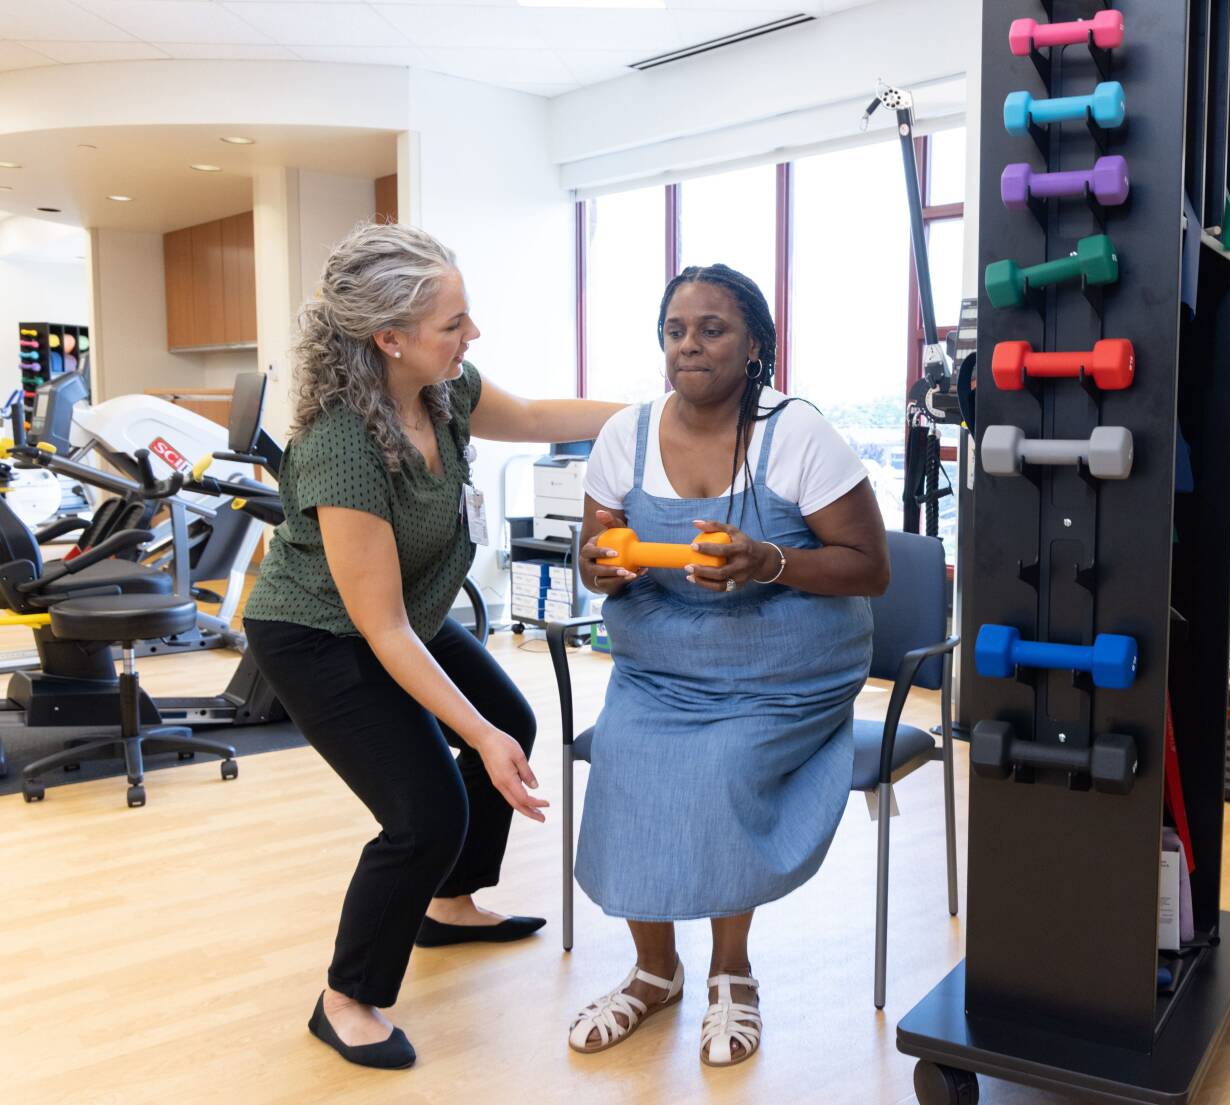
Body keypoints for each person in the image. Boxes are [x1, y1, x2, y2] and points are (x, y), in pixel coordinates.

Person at [242, 222, 622, 1070]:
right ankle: (347, 996)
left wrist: (656, 414)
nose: (471, 335)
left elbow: (532, 415)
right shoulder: (342, 443)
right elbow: (378, 630)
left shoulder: (443, 390)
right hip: (317, 633)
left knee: (509, 719)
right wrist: (473, 738)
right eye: (454, 323)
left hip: (404, 611)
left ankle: (447, 905)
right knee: (424, 812)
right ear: (390, 338)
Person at [567, 264, 889, 1067]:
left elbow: (869, 566)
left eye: (711, 329)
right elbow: (589, 551)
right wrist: (602, 565)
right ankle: (653, 971)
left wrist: (769, 561)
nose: (689, 344)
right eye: (675, 330)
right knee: (625, 756)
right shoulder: (625, 435)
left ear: (754, 345)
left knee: (719, 767)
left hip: (783, 665)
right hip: (664, 662)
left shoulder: (798, 434)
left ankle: (731, 973)